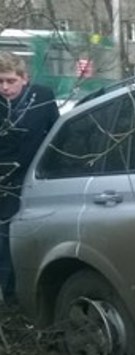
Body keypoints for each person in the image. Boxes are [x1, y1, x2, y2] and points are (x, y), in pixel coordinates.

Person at [0, 52, 59, 304]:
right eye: (0, 81)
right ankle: (10, 298)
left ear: (24, 78)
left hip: (33, 178)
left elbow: (54, 134)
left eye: (10, 81)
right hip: (4, 181)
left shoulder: (42, 97)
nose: (5, 87)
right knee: (5, 241)